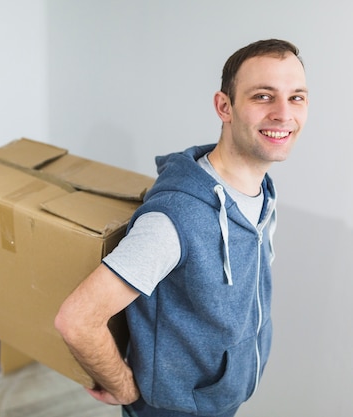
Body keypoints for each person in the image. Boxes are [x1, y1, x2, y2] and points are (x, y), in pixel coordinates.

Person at [54, 39, 309, 417]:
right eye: (263, 96)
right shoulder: (176, 218)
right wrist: (124, 389)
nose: (283, 113)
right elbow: (76, 320)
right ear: (225, 106)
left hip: (219, 400)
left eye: (297, 97)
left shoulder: (260, 193)